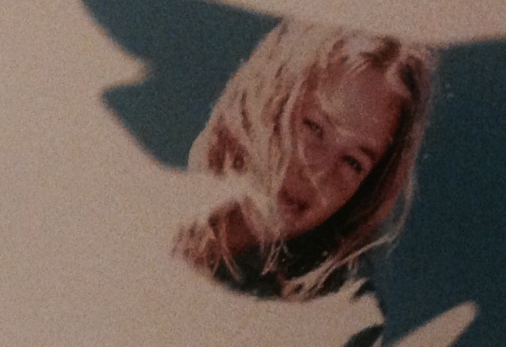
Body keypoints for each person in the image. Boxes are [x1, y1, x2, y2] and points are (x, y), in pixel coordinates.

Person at [175, 19, 434, 300]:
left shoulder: (317, 314)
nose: (320, 172)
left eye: (353, 162)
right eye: (314, 127)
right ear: (267, 97)